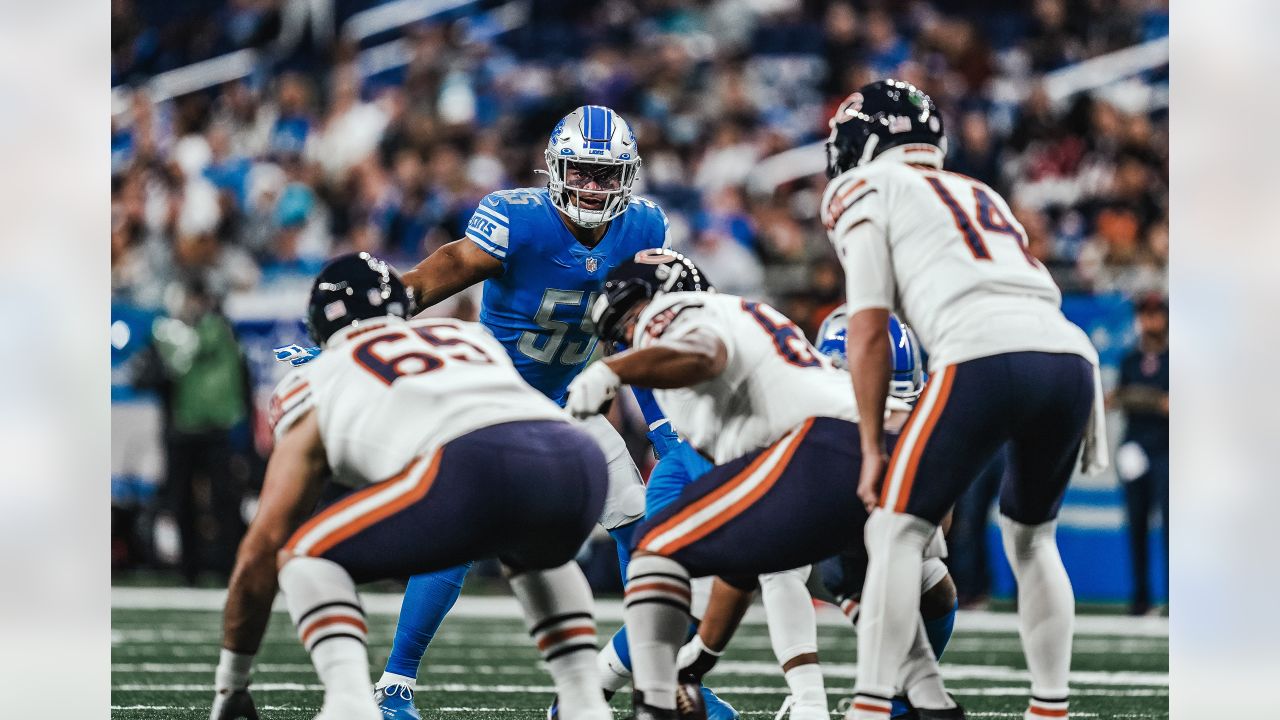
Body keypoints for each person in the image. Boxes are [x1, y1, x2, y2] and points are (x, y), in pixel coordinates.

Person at [375, 105, 740, 719]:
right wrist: (373, 315)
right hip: (493, 399)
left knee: (637, 525)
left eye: (605, 174)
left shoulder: (645, 226)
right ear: (555, 169)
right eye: (581, 172)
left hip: (571, 398)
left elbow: (638, 336)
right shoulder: (518, 217)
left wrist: (662, 429)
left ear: (626, 177)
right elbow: (451, 268)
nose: (592, 187)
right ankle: (394, 684)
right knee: (460, 535)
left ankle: (665, 678)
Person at [208, 253, 612, 720]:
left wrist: (232, 685)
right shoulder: (464, 335)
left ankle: (350, 704)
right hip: (577, 457)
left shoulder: (317, 374)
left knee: (304, 555)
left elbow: (261, 548)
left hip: (472, 463)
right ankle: (585, 703)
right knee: (535, 553)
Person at [564, 250, 957, 720]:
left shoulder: (677, 315)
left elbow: (706, 353)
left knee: (658, 549)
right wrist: (703, 657)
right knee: (875, 617)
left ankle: (651, 703)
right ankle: (917, 700)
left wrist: (613, 371)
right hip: (889, 457)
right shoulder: (745, 336)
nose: (627, 338)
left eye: (626, 321)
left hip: (825, 450)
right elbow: (747, 559)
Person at [821, 80, 1107, 720]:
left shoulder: (863, 187)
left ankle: (869, 707)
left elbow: (867, 326)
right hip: (1067, 356)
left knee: (894, 528)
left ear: (861, 143)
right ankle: (1050, 707)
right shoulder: (982, 191)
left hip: (982, 350)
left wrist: (870, 446)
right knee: (1034, 540)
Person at [1110, 292, 1169, 615]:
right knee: (1137, 527)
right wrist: (1153, 400)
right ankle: (1141, 598)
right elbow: (1118, 398)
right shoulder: (1129, 360)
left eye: (1156, 314)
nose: (1150, 321)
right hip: (1135, 448)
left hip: (1168, 451)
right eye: (1145, 315)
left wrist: (1133, 397)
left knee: (1174, 529)